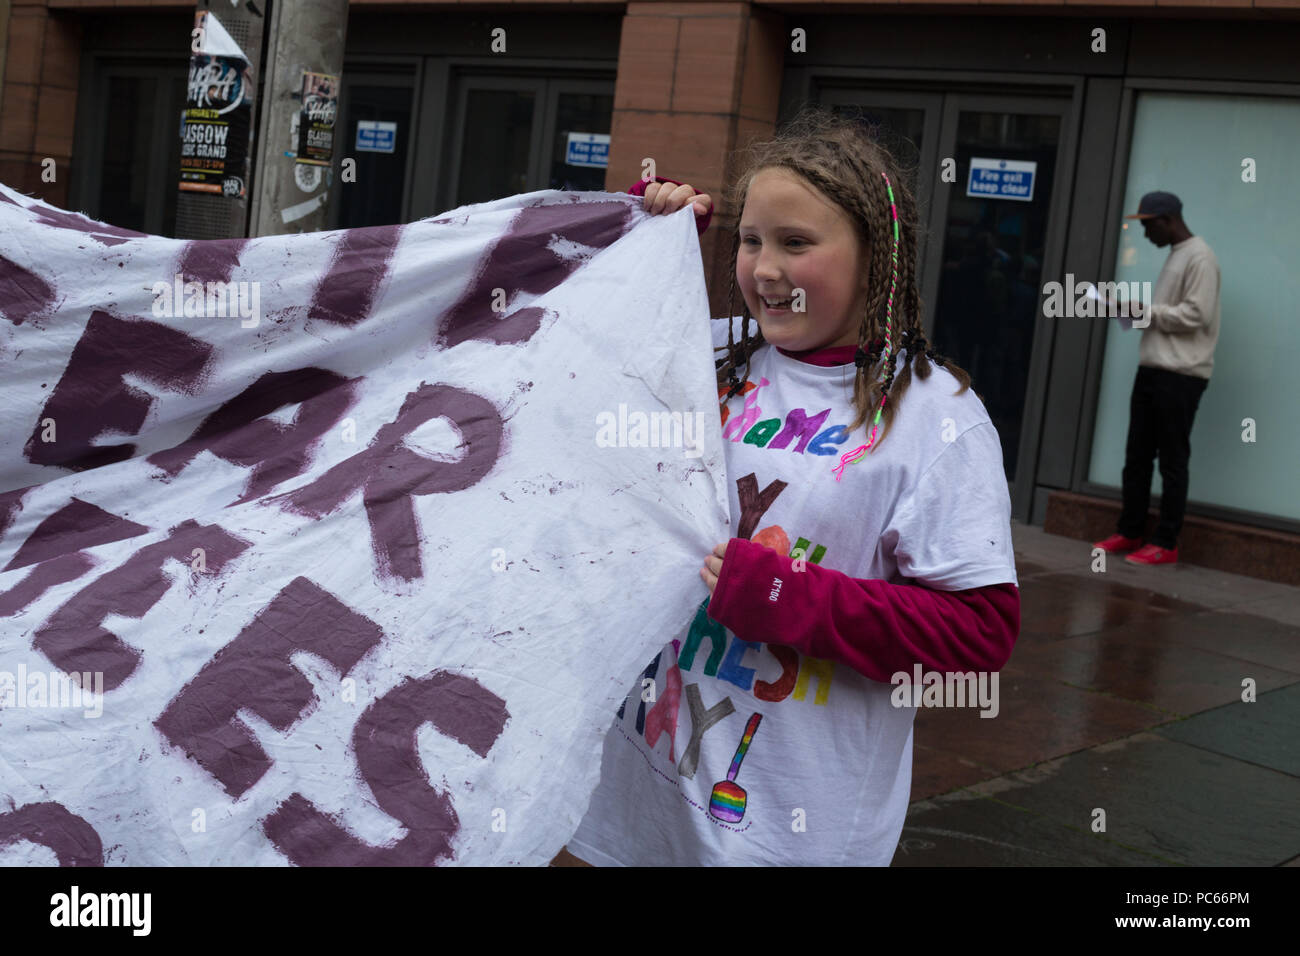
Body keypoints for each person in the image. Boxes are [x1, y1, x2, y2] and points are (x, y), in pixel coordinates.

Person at [559, 108, 1020, 866]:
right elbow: (564, 369)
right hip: (634, 811)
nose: (764, 268)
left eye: (796, 243)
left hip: (783, 833)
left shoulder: (937, 416)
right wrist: (649, 245)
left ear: (877, 257)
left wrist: (788, 596)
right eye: (750, 240)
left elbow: (979, 637)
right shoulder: (704, 354)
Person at [1093, 191, 1219, 566]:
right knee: (1138, 456)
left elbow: (1197, 316)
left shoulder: (1201, 258)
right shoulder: (1179, 256)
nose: (1146, 235)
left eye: (1148, 226)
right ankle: (1131, 530)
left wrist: (1142, 311)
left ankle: (1166, 541)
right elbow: (1177, 313)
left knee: (1172, 460)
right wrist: (1135, 311)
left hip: (1180, 375)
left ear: (1167, 220)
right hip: (1154, 369)